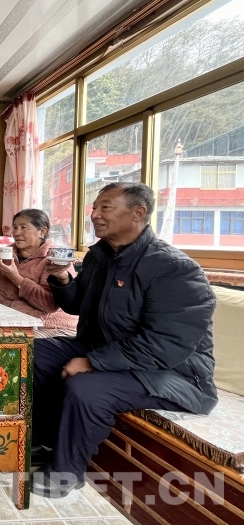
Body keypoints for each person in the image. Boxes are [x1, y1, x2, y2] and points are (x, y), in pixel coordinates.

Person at [32, 182, 217, 498]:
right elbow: (78, 305)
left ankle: (66, 473)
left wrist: (92, 362)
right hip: (109, 349)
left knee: (86, 388)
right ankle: (45, 440)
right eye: (94, 207)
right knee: (32, 353)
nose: (94, 214)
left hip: (172, 372)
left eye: (105, 207)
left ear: (138, 213)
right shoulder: (100, 256)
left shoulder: (174, 269)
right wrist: (63, 279)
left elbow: (166, 345)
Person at [0, 209, 77, 335]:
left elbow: (49, 305)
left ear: (42, 232)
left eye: (23, 227)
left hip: (46, 324)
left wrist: (16, 278)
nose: (16, 233)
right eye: (15, 227)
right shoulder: (8, 252)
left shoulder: (55, 259)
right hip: (8, 316)